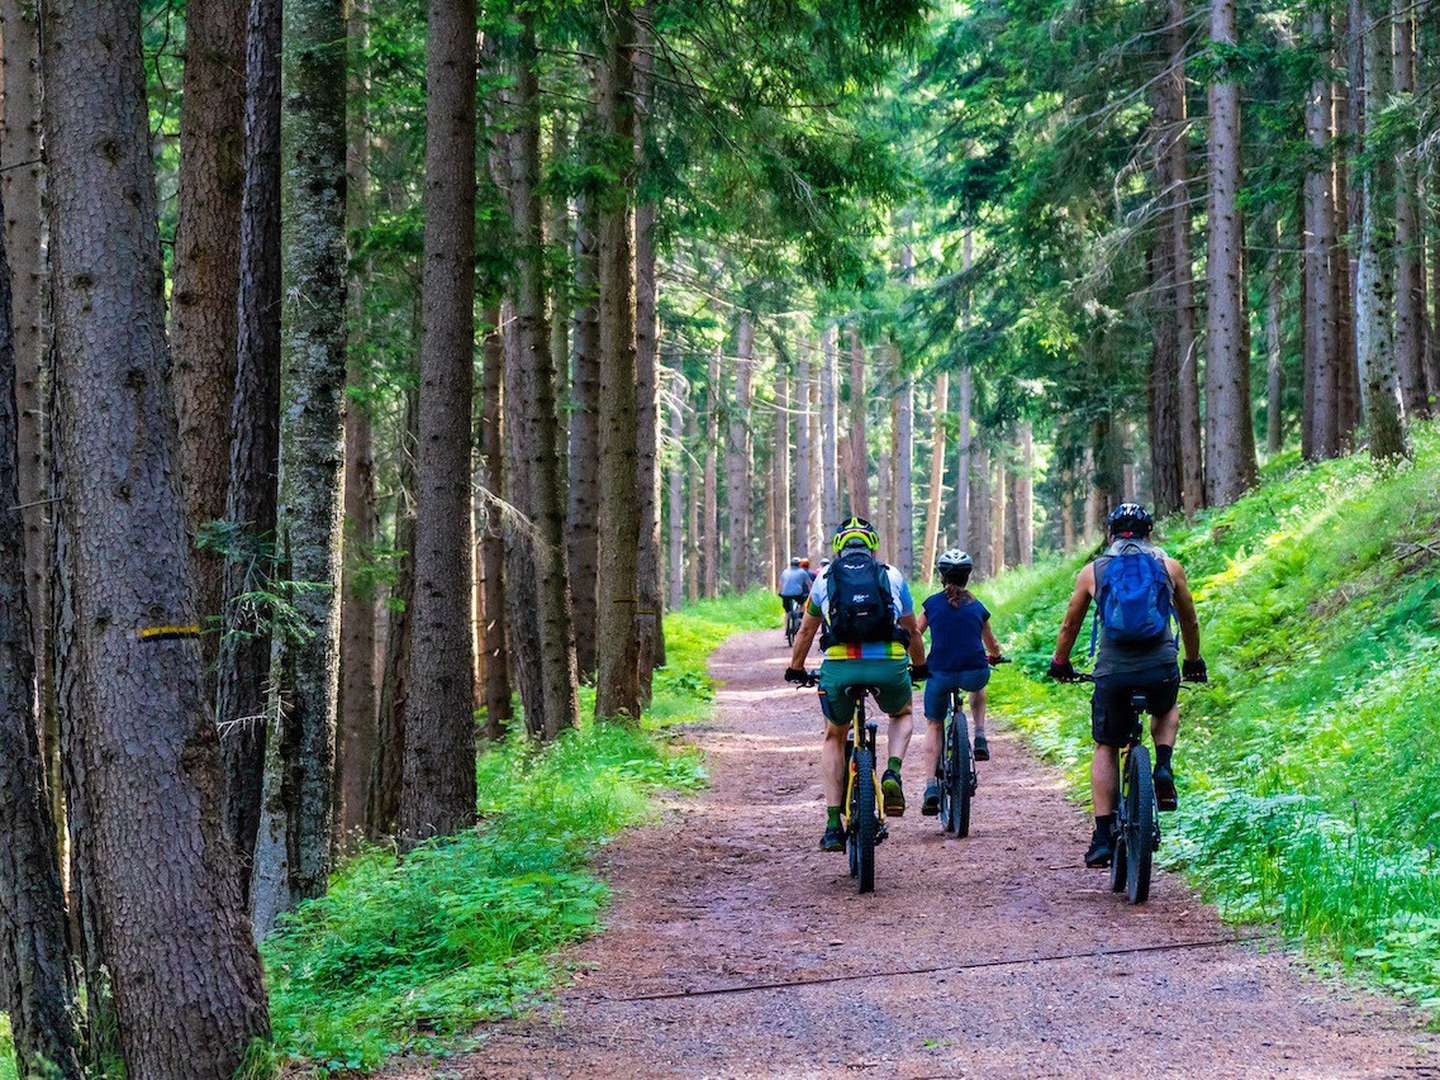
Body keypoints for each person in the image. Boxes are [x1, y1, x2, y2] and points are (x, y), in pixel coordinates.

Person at [1047, 503, 1207, 868]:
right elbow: (1190, 620)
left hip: (1114, 672)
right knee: (1166, 707)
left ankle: (1103, 835)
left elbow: (1069, 626)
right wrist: (1193, 661)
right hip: (1160, 666)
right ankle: (1162, 765)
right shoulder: (1170, 568)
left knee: (1106, 743)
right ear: (1150, 532)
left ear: (1111, 533)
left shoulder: (1094, 571)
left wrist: (1060, 663)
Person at [784, 517, 928, 852]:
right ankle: (892, 772)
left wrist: (796, 668)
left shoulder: (824, 579)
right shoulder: (892, 575)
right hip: (888, 665)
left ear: (838, 547)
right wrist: (919, 666)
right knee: (902, 713)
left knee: (834, 735)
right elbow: (912, 629)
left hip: (841, 667)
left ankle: (833, 825)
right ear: (872, 545)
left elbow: (806, 631)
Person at [915, 550, 1003, 816]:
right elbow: (991, 643)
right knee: (979, 683)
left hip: (939, 673)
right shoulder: (977, 607)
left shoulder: (931, 604)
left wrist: (915, 662)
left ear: (941, 576)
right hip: (973, 672)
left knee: (934, 723)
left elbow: (915, 634)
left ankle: (931, 785)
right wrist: (996, 656)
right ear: (968, 576)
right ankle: (979, 734)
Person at [777, 556, 812, 625]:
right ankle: (800, 617)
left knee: (787, 611)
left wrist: (780, 592)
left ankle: (787, 628)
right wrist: (811, 593)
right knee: (802, 604)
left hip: (785, 594)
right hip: (797, 594)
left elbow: (780, 583)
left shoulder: (785, 571)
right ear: (799, 564)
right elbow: (809, 584)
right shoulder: (802, 572)